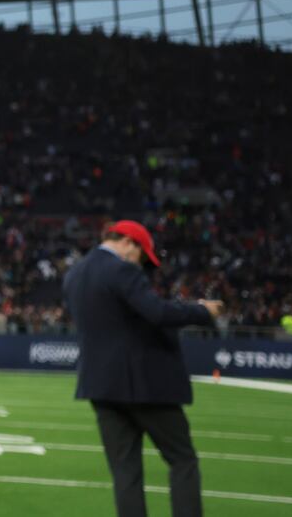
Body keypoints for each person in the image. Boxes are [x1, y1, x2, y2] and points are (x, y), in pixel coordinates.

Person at [63, 220, 221, 517]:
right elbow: (156, 312)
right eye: (141, 255)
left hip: (101, 386)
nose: (141, 264)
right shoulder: (120, 269)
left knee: (125, 473)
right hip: (145, 385)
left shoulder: (74, 274)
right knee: (182, 460)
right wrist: (201, 311)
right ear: (128, 242)